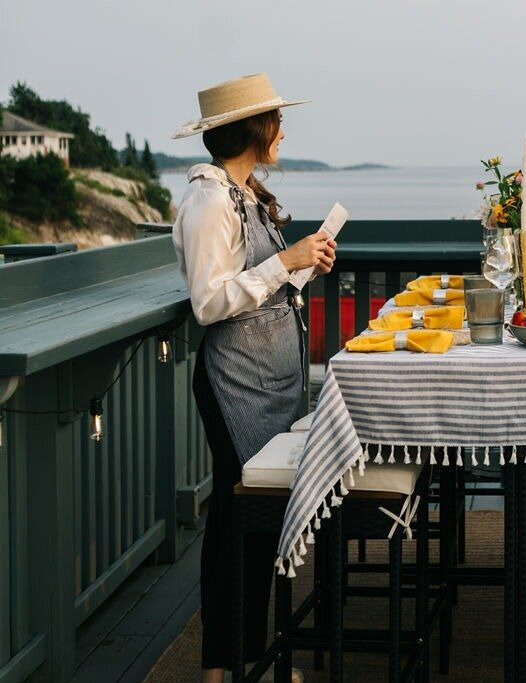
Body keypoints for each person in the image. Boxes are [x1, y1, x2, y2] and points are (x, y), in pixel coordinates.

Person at [171, 73, 334, 683]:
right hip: (235, 385)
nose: (283, 130)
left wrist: (302, 268)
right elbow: (210, 302)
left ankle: (234, 663)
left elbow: (257, 285)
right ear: (254, 130)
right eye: (275, 121)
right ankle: (230, 665)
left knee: (248, 530)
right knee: (239, 530)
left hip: (265, 384)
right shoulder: (211, 201)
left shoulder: (245, 193)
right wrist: (283, 262)